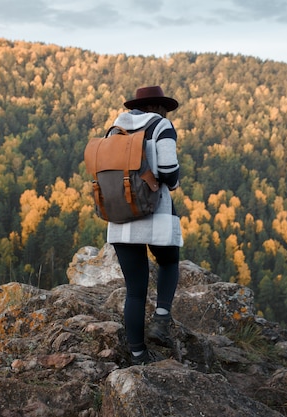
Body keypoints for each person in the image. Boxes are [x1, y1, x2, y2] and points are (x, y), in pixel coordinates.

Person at [107, 85, 183, 365]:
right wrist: (174, 181)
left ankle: (138, 355)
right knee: (169, 261)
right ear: (159, 106)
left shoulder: (114, 129)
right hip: (154, 213)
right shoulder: (162, 126)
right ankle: (161, 319)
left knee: (135, 290)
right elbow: (168, 172)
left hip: (119, 215)